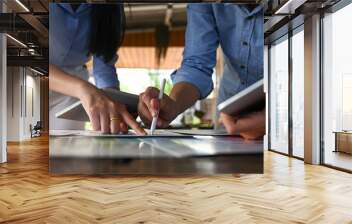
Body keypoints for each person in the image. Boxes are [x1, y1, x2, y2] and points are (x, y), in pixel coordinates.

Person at [138, 4, 264, 140]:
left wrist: (279, 115)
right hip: (229, 119)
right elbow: (197, 65)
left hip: (286, 105)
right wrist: (174, 104)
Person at [49, 3, 146, 135]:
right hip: (26, 78)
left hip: (73, 94)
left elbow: (104, 65)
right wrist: (83, 89)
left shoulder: (110, 7)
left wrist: (112, 100)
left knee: (67, 147)